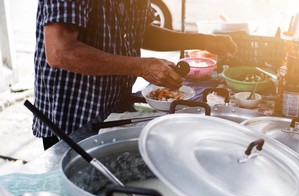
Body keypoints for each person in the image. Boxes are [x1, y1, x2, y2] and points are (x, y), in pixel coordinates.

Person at [33, 0, 238, 150]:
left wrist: (201, 40)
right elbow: (61, 52)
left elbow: (140, 31)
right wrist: (141, 66)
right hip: (71, 117)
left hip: (114, 107)